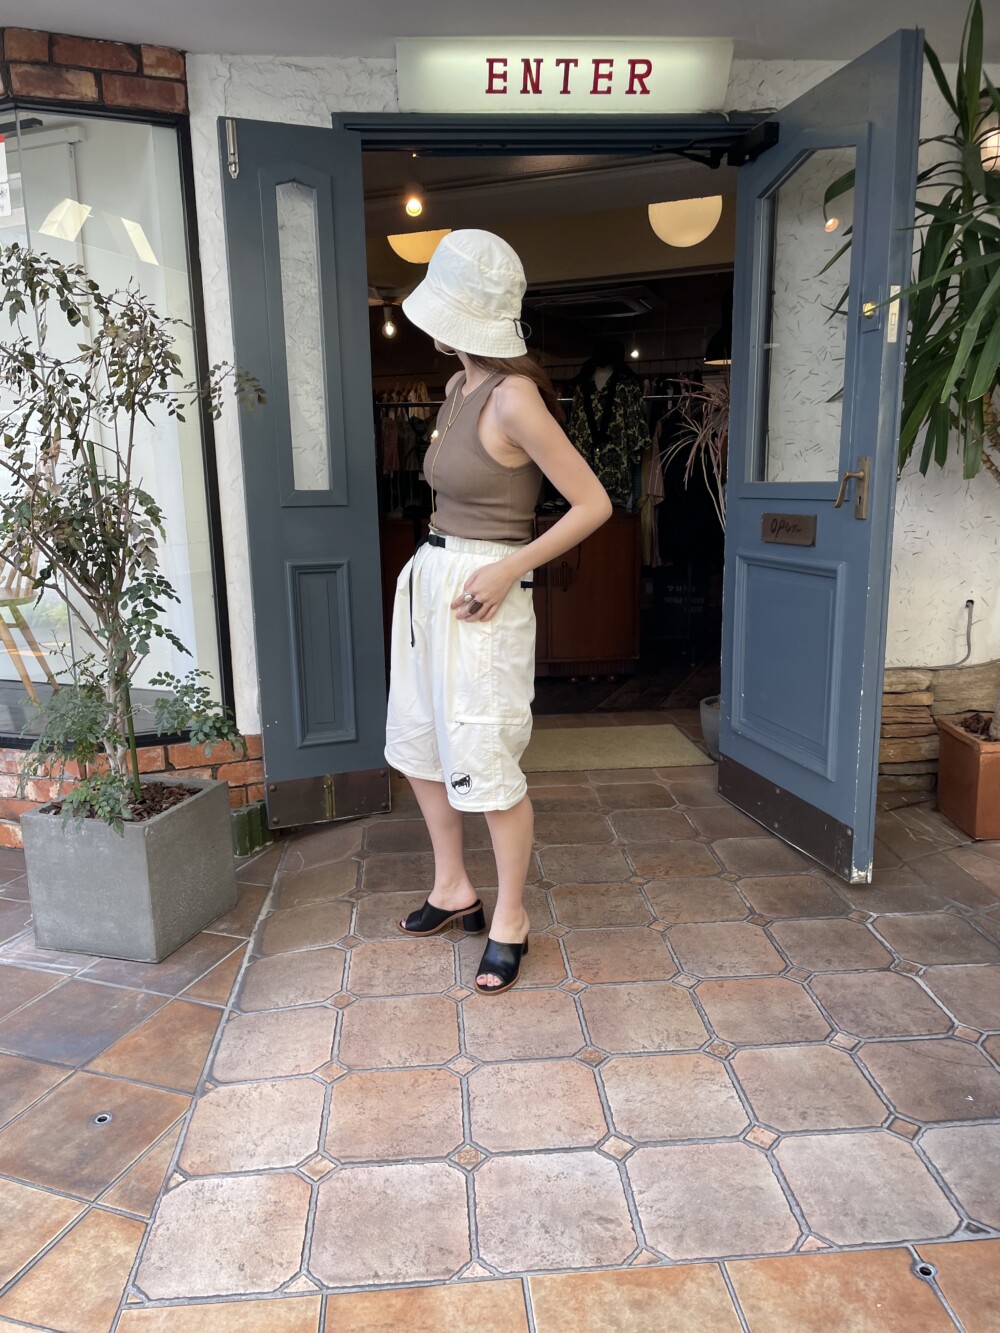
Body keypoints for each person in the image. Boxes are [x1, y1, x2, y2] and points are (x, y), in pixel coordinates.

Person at [385, 230, 611, 994]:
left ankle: (510, 917)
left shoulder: (515, 398)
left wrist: (510, 567)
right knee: (420, 740)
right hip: (433, 582)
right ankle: (453, 886)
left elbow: (592, 503)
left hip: (487, 591)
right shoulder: (457, 385)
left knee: (487, 756)